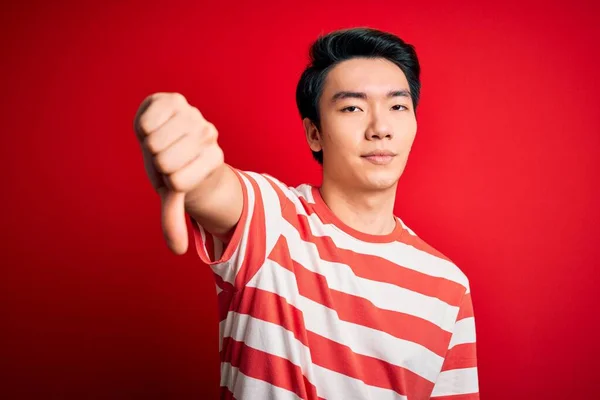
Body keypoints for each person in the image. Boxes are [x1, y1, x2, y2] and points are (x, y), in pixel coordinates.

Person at [133, 27, 479, 400]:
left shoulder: (448, 285)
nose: (380, 128)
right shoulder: (273, 222)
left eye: (397, 106)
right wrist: (190, 159)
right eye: (352, 108)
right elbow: (218, 188)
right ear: (314, 133)